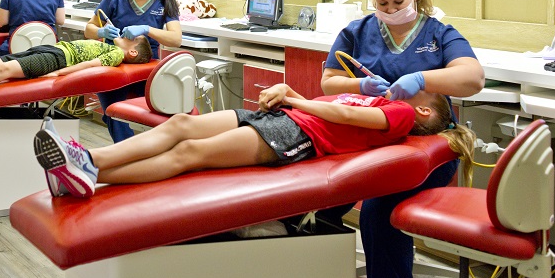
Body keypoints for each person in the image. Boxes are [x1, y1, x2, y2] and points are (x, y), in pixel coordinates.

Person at [319, 0, 485, 278]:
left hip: (426, 148)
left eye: (398, 1)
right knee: (323, 198)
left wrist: (422, 79)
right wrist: (358, 85)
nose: (391, 10)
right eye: (382, 3)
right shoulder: (357, 31)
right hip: (369, 139)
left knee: (378, 213)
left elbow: (473, 78)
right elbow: (328, 82)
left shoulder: (439, 34)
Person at [33, 83, 476, 198]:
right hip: (284, 115)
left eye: (420, 88)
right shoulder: (380, 96)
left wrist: (296, 98)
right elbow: (334, 100)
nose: (407, 85)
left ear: (424, 110)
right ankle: (87, 159)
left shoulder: (398, 114)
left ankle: (90, 174)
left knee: (190, 153)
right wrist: (284, 97)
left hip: (296, 134)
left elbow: (338, 115)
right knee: (179, 126)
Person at [84, 0, 182, 142]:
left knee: (158, 114)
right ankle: (126, 151)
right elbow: (89, 29)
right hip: (113, 65)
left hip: (147, 69)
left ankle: (155, 152)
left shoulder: (164, 2)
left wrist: (147, 29)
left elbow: (176, 39)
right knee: (113, 114)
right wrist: (101, 32)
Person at [0, 35, 153, 98]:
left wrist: (58, 72)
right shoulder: (110, 44)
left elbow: (89, 65)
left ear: (131, 51)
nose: (126, 33)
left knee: (1, 72)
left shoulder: (115, 54)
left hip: (57, 60)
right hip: (54, 49)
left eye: (132, 37)